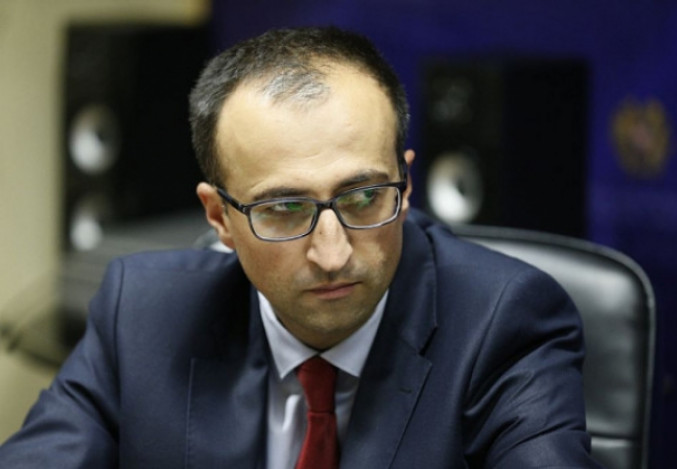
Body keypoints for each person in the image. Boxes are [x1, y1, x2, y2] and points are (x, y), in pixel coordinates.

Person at [0, 26, 602, 468]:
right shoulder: (142, 314)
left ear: (406, 185)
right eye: (285, 209)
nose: (333, 254)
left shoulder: (505, 323)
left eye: (363, 197)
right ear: (220, 217)